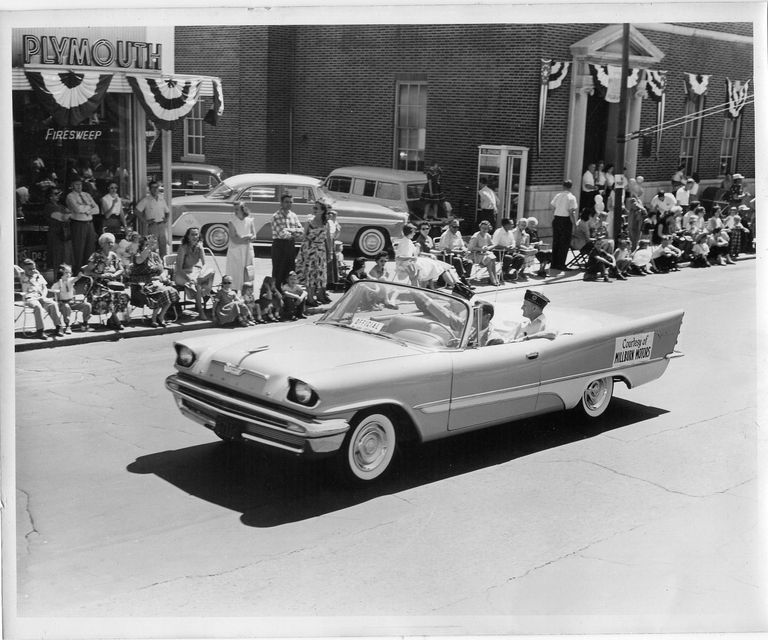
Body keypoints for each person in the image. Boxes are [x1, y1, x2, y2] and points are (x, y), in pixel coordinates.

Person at [81, 232, 131, 330]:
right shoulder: (96, 256)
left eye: (112, 242)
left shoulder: (113, 255)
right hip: (97, 284)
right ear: (102, 244)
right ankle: (117, 322)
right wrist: (101, 275)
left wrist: (114, 275)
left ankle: (111, 320)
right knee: (110, 294)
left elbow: (121, 269)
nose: (111, 244)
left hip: (112, 283)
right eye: (108, 242)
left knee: (124, 295)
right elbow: (86, 272)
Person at [131, 234, 180, 327]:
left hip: (157, 282)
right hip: (143, 285)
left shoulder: (155, 256)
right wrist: (149, 246)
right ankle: (153, 318)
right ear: (142, 246)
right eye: (146, 245)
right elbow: (140, 260)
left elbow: (162, 270)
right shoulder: (137, 255)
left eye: (150, 245)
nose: (149, 247)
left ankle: (161, 316)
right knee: (163, 293)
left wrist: (163, 278)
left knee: (171, 290)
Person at [18, 258, 65, 340]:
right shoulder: (22, 275)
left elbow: (45, 288)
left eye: (34, 268)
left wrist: (43, 295)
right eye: (30, 269)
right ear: (24, 268)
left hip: (41, 296)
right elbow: (14, 267)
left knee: (52, 304)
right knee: (38, 307)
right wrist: (23, 269)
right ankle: (40, 331)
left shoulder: (38, 276)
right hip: (30, 298)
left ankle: (58, 327)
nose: (33, 270)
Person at [175, 227, 215, 320]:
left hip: (194, 273)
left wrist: (201, 275)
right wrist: (189, 279)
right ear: (188, 236)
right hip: (181, 274)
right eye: (192, 234)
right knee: (198, 285)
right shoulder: (183, 248)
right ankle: (201, 312)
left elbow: (205, 264)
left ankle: (205, 290)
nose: (195, 237)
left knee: (212, 271)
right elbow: (179, 269)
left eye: (196, 234)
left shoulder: (199, 246)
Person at [296, 201, 330, 306]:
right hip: (309, 249)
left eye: (317, 208)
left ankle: (319, 295)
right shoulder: (309, 222)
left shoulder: (326, 223)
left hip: (320, 250)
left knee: (319, 274)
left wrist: (330, 252)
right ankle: (310, 298)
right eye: (314, 208)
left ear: (322, 211)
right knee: (309, 274)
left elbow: (327, 239)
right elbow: (304, 236)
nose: (314, 210)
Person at [271, 193, 304, 290]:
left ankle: (289, 293)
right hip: (279, 245)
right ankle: (277, 293)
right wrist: (294, 232)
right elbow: (282, 234)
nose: (289, 204)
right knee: (279, 271)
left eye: (290, 202)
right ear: (281, 203)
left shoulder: (293, 215)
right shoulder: (276, 216)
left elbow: (301, 231)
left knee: (290, 270)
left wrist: (290, 230)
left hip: (290, 246)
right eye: (286, 202)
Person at [66, 175, 99, 272]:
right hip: (78, 224)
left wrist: (87, 211)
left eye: (80, 184)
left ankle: (88, 271)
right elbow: (77, 209)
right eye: (76, 184)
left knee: (90, 248)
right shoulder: (70, 196)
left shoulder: (87, 195)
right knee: (78, 249)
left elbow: (97, 209)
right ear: (72, 186)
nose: (79, 186)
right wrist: (89, 207)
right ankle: (77, 272)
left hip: (89, 223)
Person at [50, 263, 92, 333]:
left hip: (72, 302)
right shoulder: (56, 284)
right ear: (61, 273)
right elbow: (54, 295)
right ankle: (67, 326)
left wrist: (81, 272)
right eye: (66, 272)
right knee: (66, 307)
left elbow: (76, 278)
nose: (68, 274)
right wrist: (57, 295)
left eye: (69, 273)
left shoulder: (70, 281)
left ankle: (85, 323)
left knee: (87, 305)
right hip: (62, 303)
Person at [225, 201, 256, 293]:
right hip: (235, 252)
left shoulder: (249, 220)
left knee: (247, 274)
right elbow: (235, 240)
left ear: (243, 209)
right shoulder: (232, 222)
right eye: (234, 209)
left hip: (247, 251)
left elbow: (254, 236)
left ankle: (247, 296)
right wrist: (246, 237)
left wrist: (245, 238)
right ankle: (233, 295)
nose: (235, 211)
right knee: (234, 274)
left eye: (237, 209)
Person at [135, 181, 171, 257]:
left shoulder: (161, 199)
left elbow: (167, 212)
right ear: (150, 189)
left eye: (156, 187)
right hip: (153, 225)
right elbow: (137, 211)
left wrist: (166, 219)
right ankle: (153, 264)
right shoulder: (146, 200)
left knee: (163, 246)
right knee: (152, 247)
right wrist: (145, 221)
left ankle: (163, 265)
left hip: (161, 225)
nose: (155, 189)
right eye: (153, 187)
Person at [550, 179, 578, 270]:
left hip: (557, 219)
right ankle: (561, 264)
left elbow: (553, 206)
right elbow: (571, 212)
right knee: (564, 243)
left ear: (563, 186)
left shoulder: (558, 195)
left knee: (556, 242)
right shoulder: (571, 197)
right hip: (565, 220)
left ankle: (554, 263)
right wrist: (574, 224)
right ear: (571, 187)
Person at [44, 187, 73, 271]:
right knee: (56, 257)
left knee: (66, 256)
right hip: (55, 234)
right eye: (55, 194)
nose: (58, 196)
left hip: (65, 235)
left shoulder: (61, 206)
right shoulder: (49, 207)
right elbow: (62, 217)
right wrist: (71, 212)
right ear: (50, 196)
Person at [438, 219, 474, 285]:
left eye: (457, 227)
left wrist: (464, 250)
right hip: (446, 256)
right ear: (449, 226)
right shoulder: (446, 235)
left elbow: (462, 245)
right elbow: (446, 249)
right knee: (458, 260)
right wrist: (458, 252)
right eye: (454, 227)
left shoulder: (458, 233)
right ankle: (463, 281)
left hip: (457, 255)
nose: (456, 229)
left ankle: (465, 279)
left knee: (469, 262)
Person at [466, 220, 500, 286]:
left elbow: (493, 244)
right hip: (474, 255)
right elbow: (470, 248)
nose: (484, 230)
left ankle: (493, 278)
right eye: (483, 228)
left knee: (492, 258)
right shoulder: (476, 236)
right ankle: (493, 279)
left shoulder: (487, 235)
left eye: (486, 228)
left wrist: (488, 248)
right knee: (490, 259)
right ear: (480, 228)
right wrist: (481, 249)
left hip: (483, 254)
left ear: (488, 229)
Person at [325, 208, 342, 290]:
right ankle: (328, 282)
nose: (332, 216)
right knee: (328, 263)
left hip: (332, 243)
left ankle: (332, 281)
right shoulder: (327, 223)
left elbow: (335, 236)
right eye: (330, 214)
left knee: (333, 263)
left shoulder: (335, 224)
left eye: (334, 215)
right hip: (328, 243)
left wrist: (338, 230)